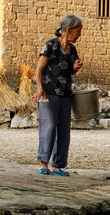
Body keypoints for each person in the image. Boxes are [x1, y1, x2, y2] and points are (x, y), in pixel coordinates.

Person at [31, 14, 84, 176]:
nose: (80, 35)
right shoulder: (50, 46)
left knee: (63, 129)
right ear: (69, 30)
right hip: (48, 94)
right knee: (49, 125)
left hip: (65, 94)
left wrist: (75, 67)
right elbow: (39, 70)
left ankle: (57, 165)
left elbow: (70, 71)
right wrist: (40, 89)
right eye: (78, 31)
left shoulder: (72, 50)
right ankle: (43, 163)